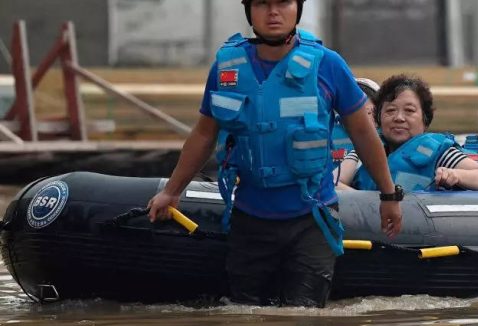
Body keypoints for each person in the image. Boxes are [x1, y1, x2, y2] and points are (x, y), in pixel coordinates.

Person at [146, 0, 403, 307]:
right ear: (249, 10)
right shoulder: (227, 67)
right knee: (246, 323)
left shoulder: (328, 64)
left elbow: (363, 134)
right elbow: (204, 133)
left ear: (298, 8)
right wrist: (172, 191)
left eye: (283, 3)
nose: (273, 12)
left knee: (305, 324)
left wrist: (388, 196)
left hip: (312, 220)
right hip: (250, 219)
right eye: (262, 3)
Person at [342, 74, 478, 191]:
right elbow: (334, 185)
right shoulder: (363, 150)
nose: (399, 118)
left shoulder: (440, 154)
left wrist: (456, 174)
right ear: (379, 117)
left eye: (409, 111)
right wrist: (367, 202)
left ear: (425, 119)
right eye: (390, 110)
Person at [331, 77, 381, 159]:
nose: (360, 118)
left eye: (369, 112)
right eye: (353, 112)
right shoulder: (329, 133)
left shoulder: (387, 136)